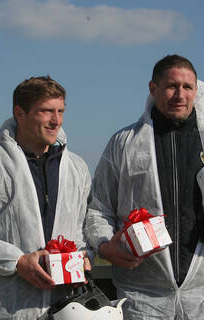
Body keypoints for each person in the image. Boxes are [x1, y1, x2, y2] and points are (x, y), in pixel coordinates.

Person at [0, 76, 91, 320]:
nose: (56, 120)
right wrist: (17, 261)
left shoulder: (77, 168)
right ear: (20, 113)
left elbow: (81, 230)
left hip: (67, 308)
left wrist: (83, 258)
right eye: (46, 111)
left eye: (60, 111)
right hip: (6, 308)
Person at [85, 54, 204, 319]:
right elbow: (98, 210)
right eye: (172, 86)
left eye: (187, 87)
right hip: (141, 296)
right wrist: (105, 246)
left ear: (197, 90)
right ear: (153, 88)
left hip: (201, 295)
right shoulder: (123, 143)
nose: (180, 95)